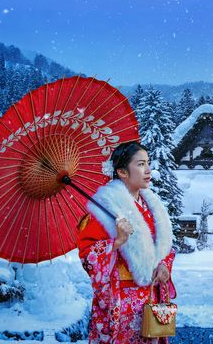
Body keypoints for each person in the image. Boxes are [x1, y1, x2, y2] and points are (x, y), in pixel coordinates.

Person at [76, 141, 176, 344]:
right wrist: (118, 241)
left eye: (148, 163)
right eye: (140, 164)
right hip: (120, 302)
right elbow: (88, 256)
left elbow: (164, 248)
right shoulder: (103, 210)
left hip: (150, 298)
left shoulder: (152, 206)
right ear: (122, 172)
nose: (148, 170)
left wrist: (164, 265)